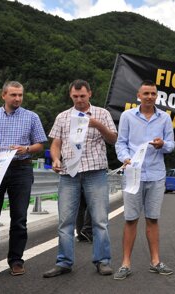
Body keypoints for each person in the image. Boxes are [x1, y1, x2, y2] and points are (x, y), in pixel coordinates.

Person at [43, 79, 118, 278]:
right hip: (69, 173)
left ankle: (103, 261)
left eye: (82, 96)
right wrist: (56, 159)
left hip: (95, 171)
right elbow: (56, 143)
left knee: (100, 220)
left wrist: (97, 125)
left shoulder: (102, 113)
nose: (79, 100)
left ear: (90, 94)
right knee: (65, 221)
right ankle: (64, 262)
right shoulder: (62, 117)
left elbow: (113, 139)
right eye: (75, 97)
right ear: (70, 95)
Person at [0, 81, 47, 278]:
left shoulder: (31, 117)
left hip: (20, 168)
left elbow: (40, 143)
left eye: (20, 95)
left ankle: (16, 260)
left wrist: (28, 149)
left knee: (19, 218)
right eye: (13, 95)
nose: (17, 99)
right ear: (3, 95)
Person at [113, 81, 175, 280]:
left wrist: (163, 144)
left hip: (156, 174)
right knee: (131, 219)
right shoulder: (127, 116)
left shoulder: (165, 117)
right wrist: (125, 158)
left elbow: (172, 144)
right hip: (133, 174)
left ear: (157, 96)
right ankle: (125, 264)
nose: (149, 96)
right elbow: (120, 143)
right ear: (138, 95)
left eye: (153, 93)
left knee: (153, 219)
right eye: (146, 93)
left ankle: (155, 261)